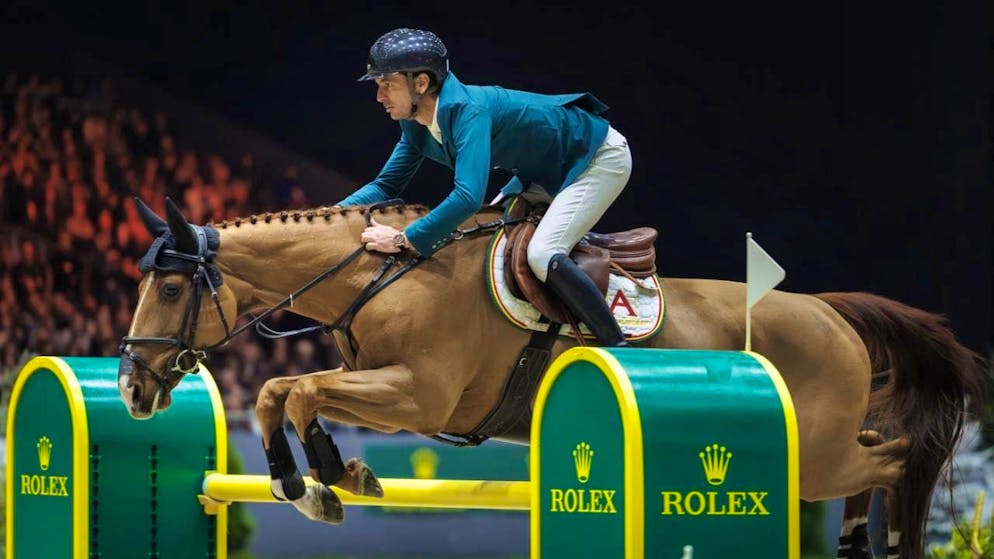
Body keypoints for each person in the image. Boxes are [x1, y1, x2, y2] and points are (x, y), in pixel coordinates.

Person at [338, 28, 632, 347]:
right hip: (543, 171)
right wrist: (328, 215)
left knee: (542, 253)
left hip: (596, 158)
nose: (379, 97)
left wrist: (403, 239)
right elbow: (386, 184)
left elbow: (467, 196)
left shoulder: (469, 111)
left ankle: (616, 344)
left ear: (420, 83)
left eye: (387, 85)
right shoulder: (414, 122)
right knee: (484, 237)